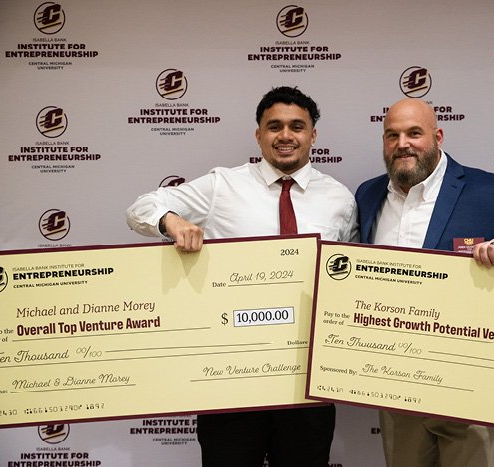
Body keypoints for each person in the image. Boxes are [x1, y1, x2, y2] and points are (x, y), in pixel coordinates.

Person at [126, 86, 357, 467]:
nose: (286, 136)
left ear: (313, 135)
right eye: (274, 126)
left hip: (306, 383)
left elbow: (346, 276)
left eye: (297, 126)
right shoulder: (222, 186)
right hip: (230, 378)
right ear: (259, 135)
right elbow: (141, 208)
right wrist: (172, 221)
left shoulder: (340, 198)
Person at [355, 98, 494, 467]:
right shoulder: (368, 194)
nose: (402, 143)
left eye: (414, 133)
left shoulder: (491, 192)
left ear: (437, 136)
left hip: (472, 390)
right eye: (392, 135)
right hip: (396, 384)